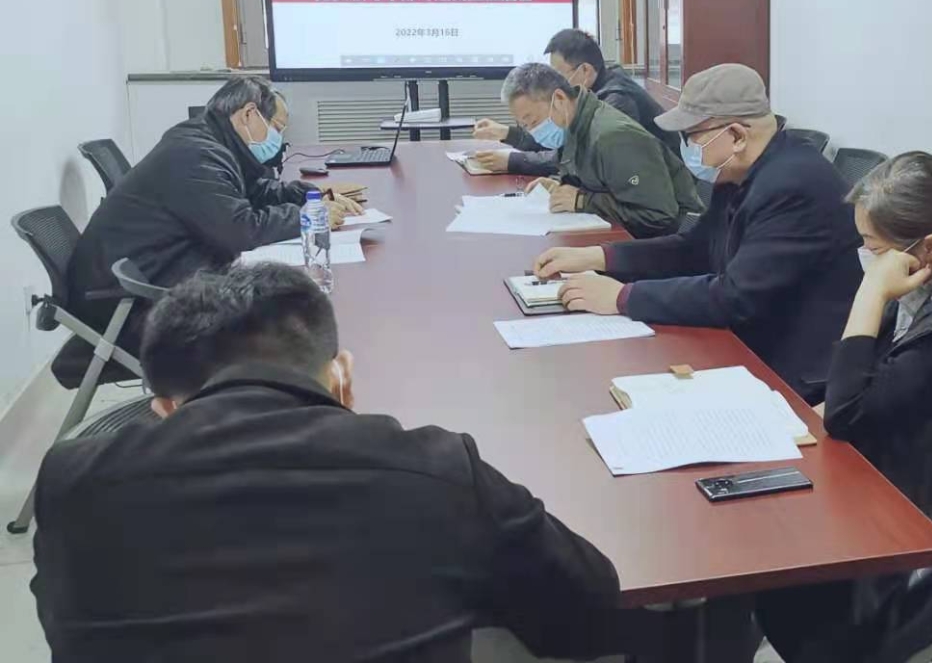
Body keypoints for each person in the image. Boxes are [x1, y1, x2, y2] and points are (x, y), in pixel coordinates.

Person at [30, 263, 621, 662]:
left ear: (162, 408)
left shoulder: (71, 483)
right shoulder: (437, 470)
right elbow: (586, 610)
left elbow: (70, 635)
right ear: (343, 378)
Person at [756, 152, 932, 663]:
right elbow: (867, 388)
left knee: (771, 579)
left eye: (873, 248)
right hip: (894, 486)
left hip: (928, 550)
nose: (865, 258)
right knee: (760, 545)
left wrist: (870, 293)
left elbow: (847, 414)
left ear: (928, 248)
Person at [534, 63, 863, 401]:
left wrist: (622, 297)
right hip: (751, 339)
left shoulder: (793, 185)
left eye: (691, 136)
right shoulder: (741, 171)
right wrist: (600, 256)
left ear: (736, 135)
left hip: (794, 369)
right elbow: (695, 249)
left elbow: (736, 297)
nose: (686, 146)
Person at [60, 76, 360, 386]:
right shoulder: (194, 155)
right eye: (277, 127)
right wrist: (306, 216)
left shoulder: (212, 142)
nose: (278, 138)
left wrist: (312, 196)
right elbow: (241, 229)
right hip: (130, 302)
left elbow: (255, 192)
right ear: (249, 114)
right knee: (277, 320)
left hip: (153, 274)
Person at [480, 62, 701, 239]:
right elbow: (604, 182)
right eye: (525, 126)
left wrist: (582, 201)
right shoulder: (574, 123)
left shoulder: (614, 137)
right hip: (628, 235)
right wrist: (563, 188)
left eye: (533, 121)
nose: (533, 131)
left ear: (559, 99)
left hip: (674, 242)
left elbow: (659, 215)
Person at [470, 29, 677, 173]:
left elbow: (580, 157)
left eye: (558, 73)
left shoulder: (616, 102)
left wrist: (513, 161)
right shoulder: (588, 91)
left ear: (585, 70)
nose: (553, 81)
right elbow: (561, 141)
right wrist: (508, 133)